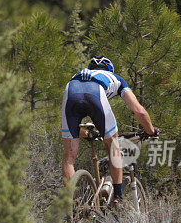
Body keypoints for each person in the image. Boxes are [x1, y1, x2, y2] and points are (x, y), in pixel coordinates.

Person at [61, 55, 158, 202]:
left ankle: (71, 205)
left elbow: (70, 126)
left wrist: (85, 133)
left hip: (71, 92)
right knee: (114, 148)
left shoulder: (77, 75)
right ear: (110, 69)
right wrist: (151, 131)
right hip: (96, 93)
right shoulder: (115, 78)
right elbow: (139, 111)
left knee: (69, 158)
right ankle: (118, 197)